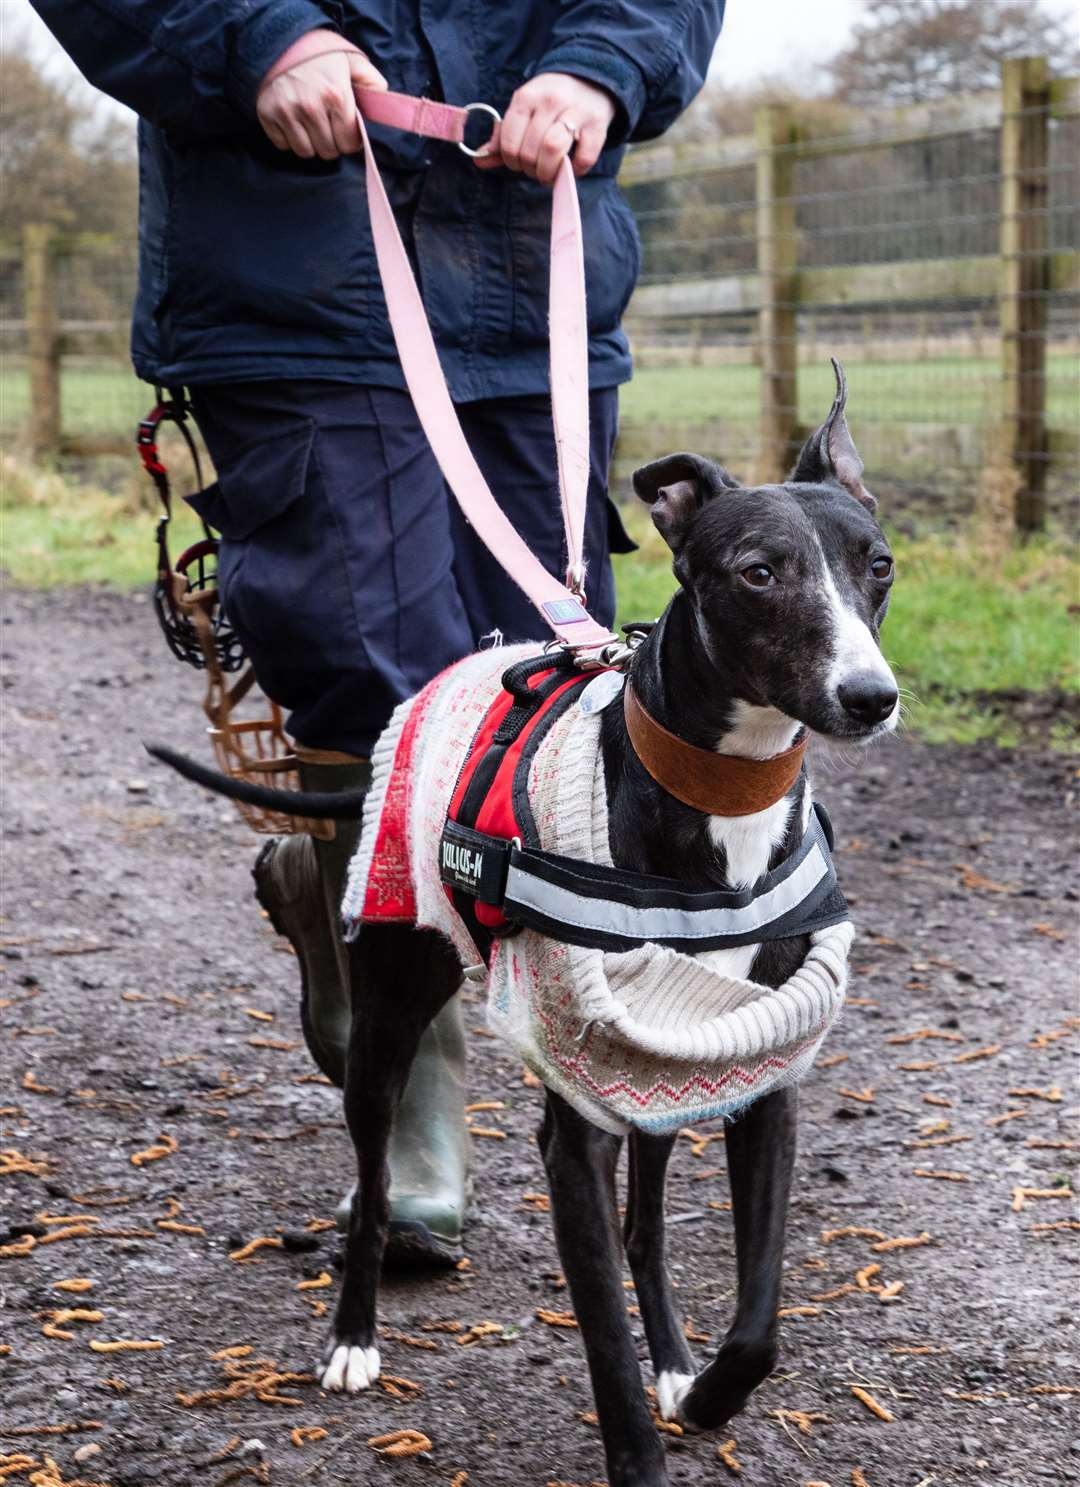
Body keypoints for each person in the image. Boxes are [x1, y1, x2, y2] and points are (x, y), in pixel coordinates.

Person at [31, 0, 727, 1265]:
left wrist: (601, 65)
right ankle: (408, 1114)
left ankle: (373, 916)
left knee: (543, 697)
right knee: (378, 680)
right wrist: (260, 39)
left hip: (530, 284)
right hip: (298, 288)